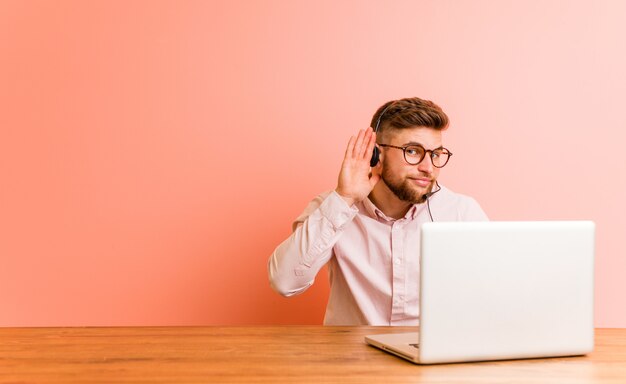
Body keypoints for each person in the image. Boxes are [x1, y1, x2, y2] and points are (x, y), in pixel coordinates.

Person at [268, 97, 488, 325]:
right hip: (353, 358)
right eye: (413, 151)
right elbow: (284, 282)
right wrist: (345, 199)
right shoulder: (334, 208)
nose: (428, 168)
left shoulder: (461, 213)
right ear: (376, 154)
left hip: (431, 356)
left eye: (435, 154)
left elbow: (495, 295)